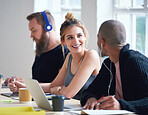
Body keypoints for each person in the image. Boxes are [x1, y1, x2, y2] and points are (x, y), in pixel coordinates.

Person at [80, 20, 148, 114]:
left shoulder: (136, 62)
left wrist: (121, 105)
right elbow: (90, 91)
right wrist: (91, 98)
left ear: (101, 42)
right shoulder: (108, 64)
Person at [6, 11, 69, 91]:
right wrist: (20, 82)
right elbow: (40, 81)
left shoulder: (65, 52)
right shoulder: (42, 50)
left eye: (34, 30)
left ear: (48, 27)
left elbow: (60, 86)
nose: (31, 36)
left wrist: (26, 85)